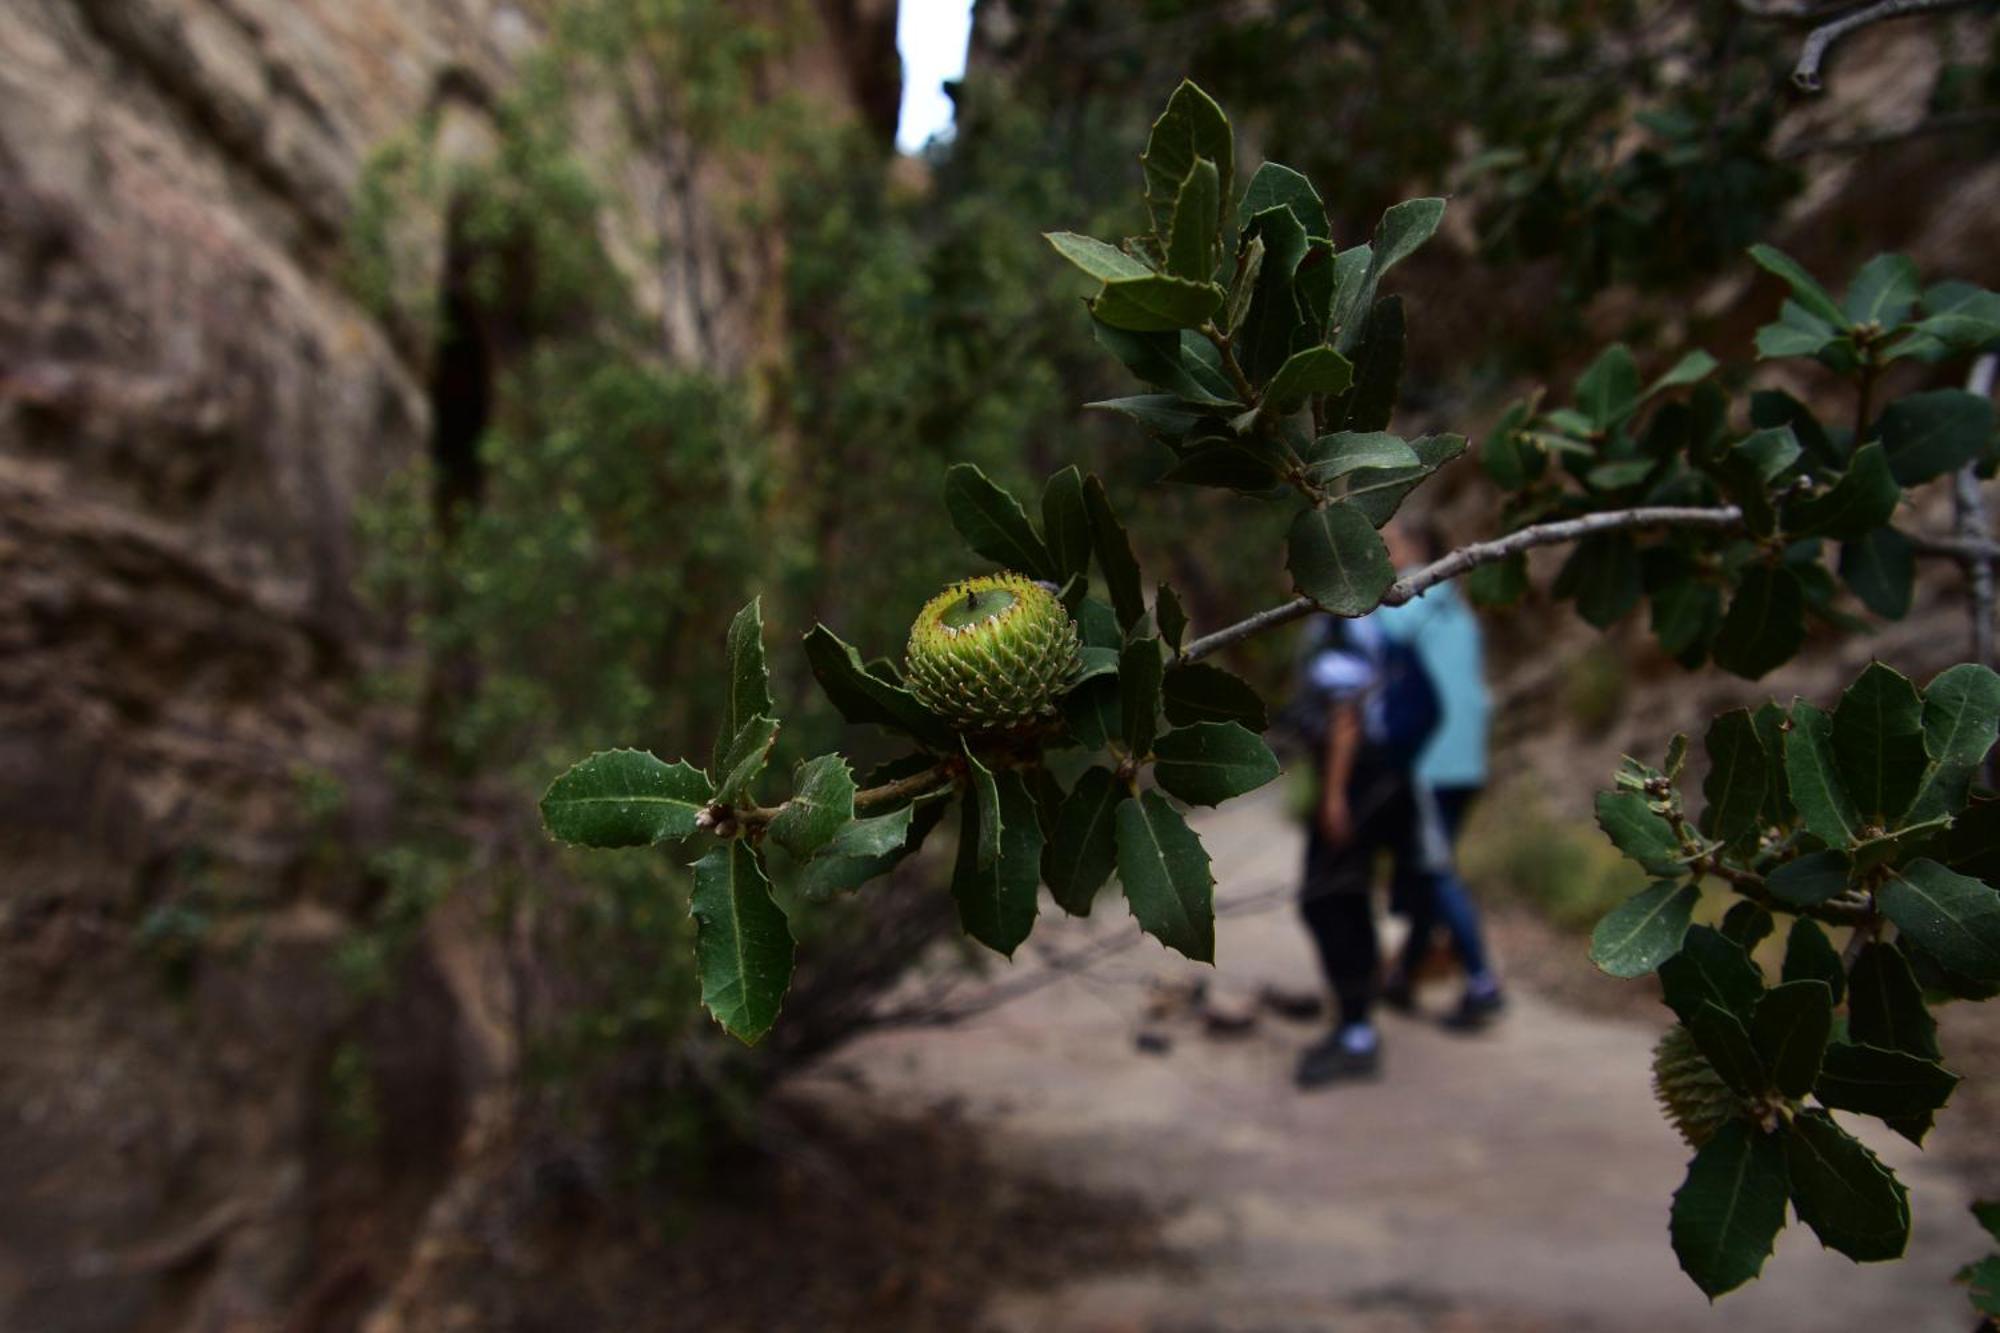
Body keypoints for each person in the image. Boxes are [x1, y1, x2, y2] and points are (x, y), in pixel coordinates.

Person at [1291, 523, 1442, 1088]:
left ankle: (1357, 1031)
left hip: (1361, 777)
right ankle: (1358, 1017)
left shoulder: (1349, 616)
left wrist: (1334, 795)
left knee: (1327, 897)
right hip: (1382, 775)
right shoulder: (1378, 610)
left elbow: (1345, 711)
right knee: (1343, 897)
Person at [1373, 521, 1505, 1030]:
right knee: (1429, 865)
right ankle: (1405, 975)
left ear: (1415, 550)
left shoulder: (1409, 604)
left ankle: (1481, 982)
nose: (1380, 555)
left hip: (1430, 760)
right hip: (1467, 760)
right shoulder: (1458, 607)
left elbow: (1367, 634)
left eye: (1387, 546)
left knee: (1435, 869)